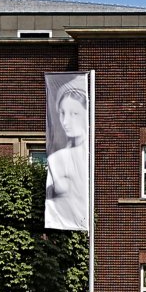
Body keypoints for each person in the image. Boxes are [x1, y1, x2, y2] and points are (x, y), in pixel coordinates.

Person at [46, 77, 90, 231]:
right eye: (62, 113)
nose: (65, 122)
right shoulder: (57, 160)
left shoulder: (92, 158)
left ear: (88, 115)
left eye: (74, 114)